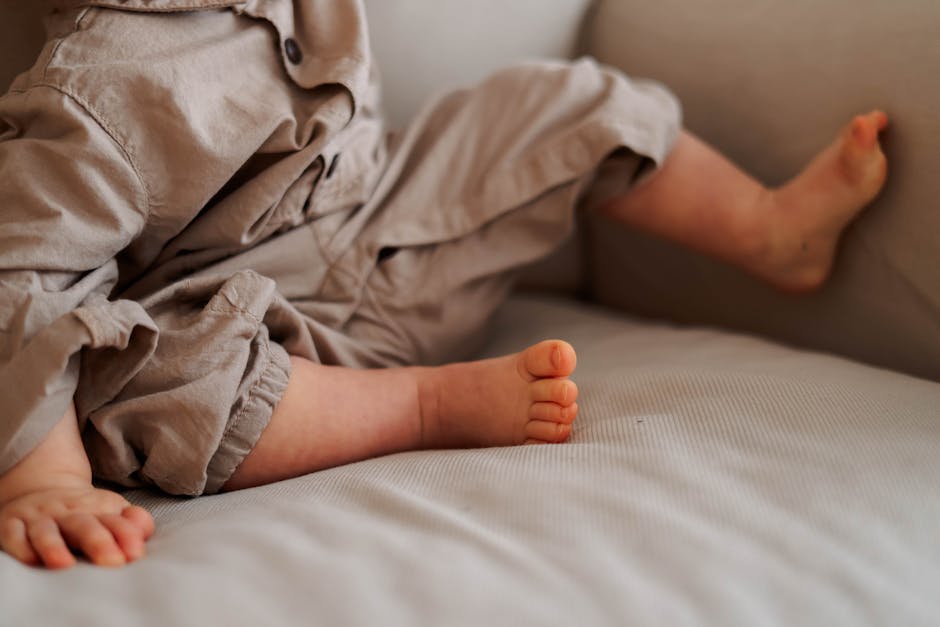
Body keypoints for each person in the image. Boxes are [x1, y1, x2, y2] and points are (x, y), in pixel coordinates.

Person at [0, 0, 887, 570]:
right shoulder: (97, 90)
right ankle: (426, 406)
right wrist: (43, 479)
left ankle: (772, 232)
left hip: (395, 217)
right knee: (141, 380)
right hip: (279, 340)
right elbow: (23, 272)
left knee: (557, 106)